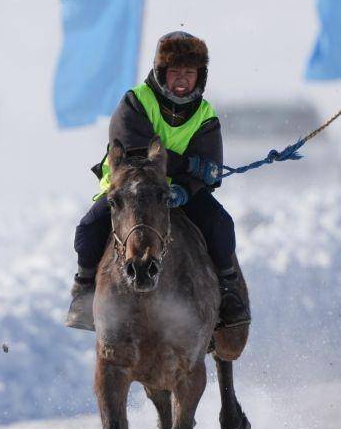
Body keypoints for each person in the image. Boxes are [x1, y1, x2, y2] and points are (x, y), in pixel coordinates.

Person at [65, 30, 250, 332]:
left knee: (221, 224)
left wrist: (186, 188)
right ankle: (84, 291)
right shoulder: (136, 101)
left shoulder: (205, 114)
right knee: (88, 228)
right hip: (131, 189)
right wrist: (190, 164)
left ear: (199, 77)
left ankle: (228, 292)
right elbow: (136, 153)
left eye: (189, 74)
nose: (181, 80)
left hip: (178, 192)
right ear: (161, 73)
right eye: (175, 72)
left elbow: (210, 171)